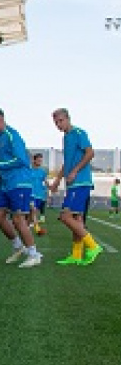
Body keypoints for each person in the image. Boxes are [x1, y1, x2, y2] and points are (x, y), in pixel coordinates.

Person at [0, 107, 42, 269]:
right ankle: (19, 247)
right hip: (6, 183)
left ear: (1, 119)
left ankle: (33, 254)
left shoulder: (12, 135)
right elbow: (4, 160)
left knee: (18, 219)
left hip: (19, 182)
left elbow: (21, 160)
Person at [49, 108, 102, 265]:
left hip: (81, 182)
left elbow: (90, 153)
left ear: (68, 118)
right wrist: (58, 180)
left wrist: (75, 171)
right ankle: (76, 255)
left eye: (61, 120)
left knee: (66, 216)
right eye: (56, 122)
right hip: (72, 184)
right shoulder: (66, 138)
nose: (59, 124)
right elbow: (68, 162)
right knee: (77, 219)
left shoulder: (79, 133)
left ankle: (93, 246)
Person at [29, 153, 49, 235]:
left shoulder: (42, 171)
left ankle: (28, 225)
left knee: (34, 212)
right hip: (31, 193)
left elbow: (45, 181)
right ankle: (37, 229)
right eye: (38, 160)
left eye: (41, 160)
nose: (40, 162)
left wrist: (51, 188)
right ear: (34, 160)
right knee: (33, 209)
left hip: (40, 194)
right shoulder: (29, 170)